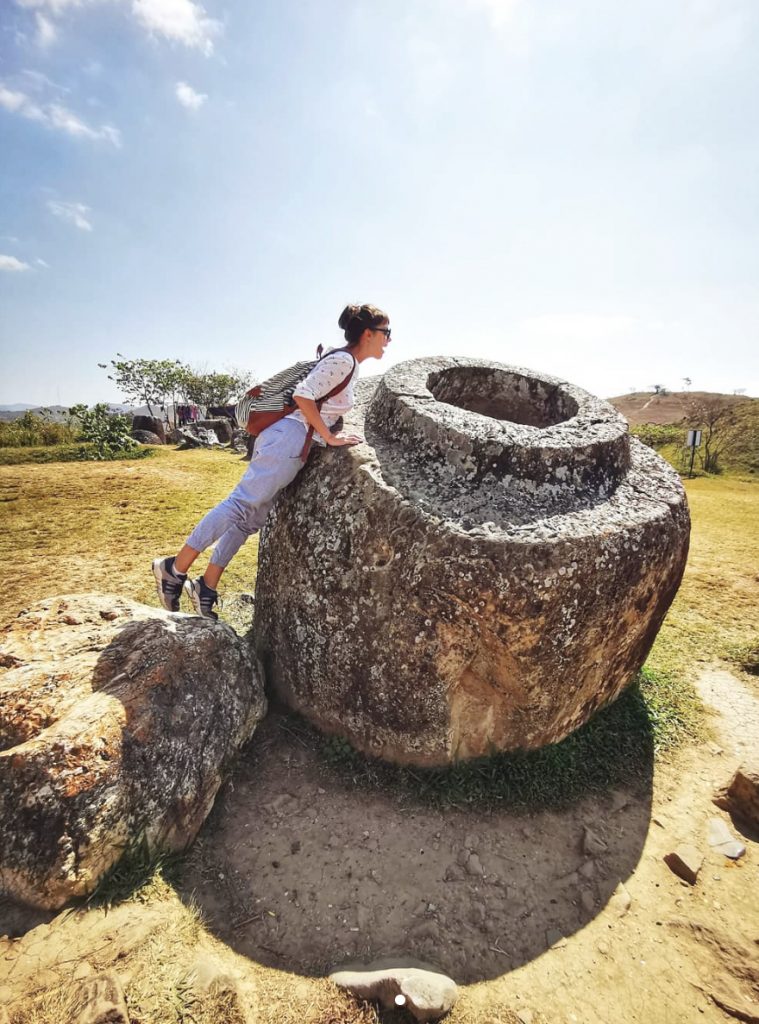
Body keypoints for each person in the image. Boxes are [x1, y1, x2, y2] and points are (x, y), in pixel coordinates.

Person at [152, 303, 391, 619]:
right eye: (386, 333)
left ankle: (206, 586)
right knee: (240, 504)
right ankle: (174, 567)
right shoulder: (344, 361)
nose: (389, 340)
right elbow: (303, 397)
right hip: (288, 437)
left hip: (291, 441)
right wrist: (330, 437)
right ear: (368, 334)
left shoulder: (344, 361)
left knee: (250, 518)